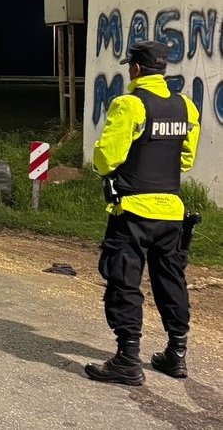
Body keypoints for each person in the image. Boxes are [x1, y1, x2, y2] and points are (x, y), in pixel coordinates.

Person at [85, 40, 201, 386]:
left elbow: (107, 158)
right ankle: (176, 355)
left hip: (133, 211)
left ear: (135, 69)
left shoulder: (129, 105)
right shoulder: (186, 107)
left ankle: (127, 358)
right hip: (172, 213)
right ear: (162, 69)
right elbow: (186, 159)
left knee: (125, 282)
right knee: (171, 281)